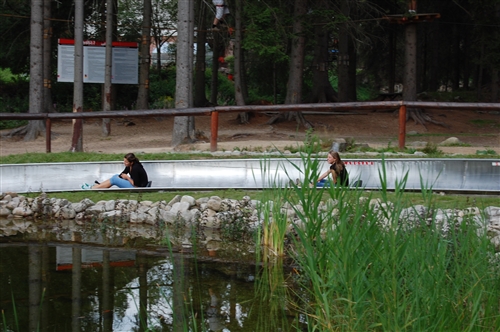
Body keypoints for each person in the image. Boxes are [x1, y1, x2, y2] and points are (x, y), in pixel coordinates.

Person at [82, 153, 149, 189]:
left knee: (114, 179)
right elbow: (121, 175)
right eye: (124, 161)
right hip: (134, 184)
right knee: (115, 176)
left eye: (126, 162)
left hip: (139, 188)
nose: (124, 163)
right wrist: (121, 176)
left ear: (131, 162)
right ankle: (99, 185)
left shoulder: (135, 168)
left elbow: (136, 184)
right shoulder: (129, 166)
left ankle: (93, 188)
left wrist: (127, 177)